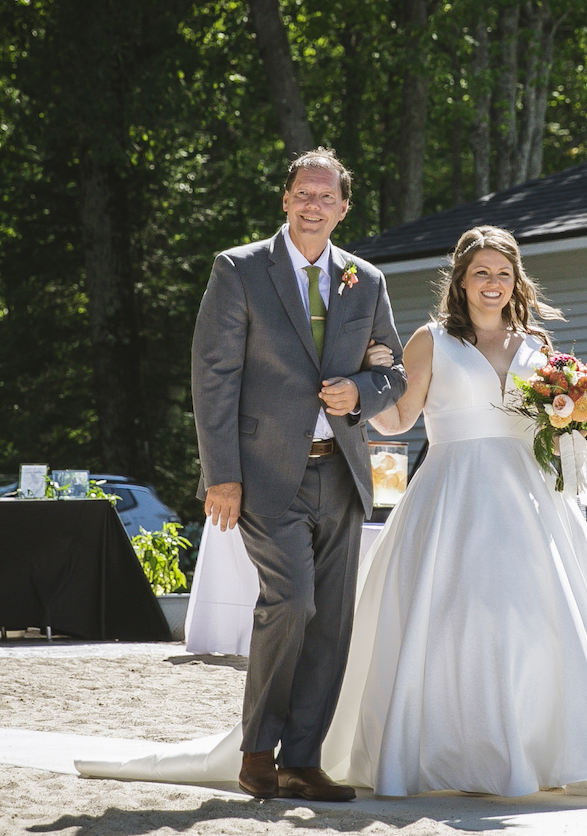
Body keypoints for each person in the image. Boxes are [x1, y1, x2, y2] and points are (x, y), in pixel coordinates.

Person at [318, 226, 587, 800]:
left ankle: (538, 750)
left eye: (502, 274)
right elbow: (401, 421)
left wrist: (580, 414)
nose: (492, 284)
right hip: (454, 495)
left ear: (517, 281)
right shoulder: (432, 339)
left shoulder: (539, 346)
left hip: (531, 499)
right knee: (453, 618)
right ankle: (453, 754)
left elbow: (552, 425)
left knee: (535, 619)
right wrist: (362, 398)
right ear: (461, 282)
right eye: (480, 274)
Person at [189, 148, 406, 802]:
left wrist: (361, 395)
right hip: (262, 475)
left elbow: (393, 372)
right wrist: (220, 474)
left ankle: (302, 761)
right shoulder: (239, 269)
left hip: (341, 474)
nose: (313, 206)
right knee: (294, 602)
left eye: (326, 197)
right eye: (303, 195)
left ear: (343, 208)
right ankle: (258, 753)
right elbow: (213, 375)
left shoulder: (365, 280)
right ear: (286, 200)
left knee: (332, 619)